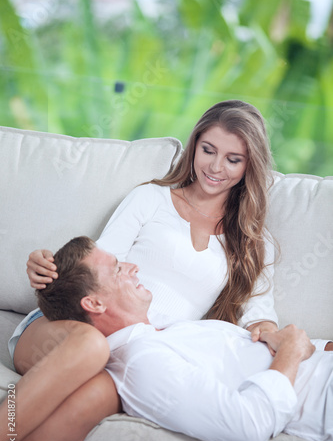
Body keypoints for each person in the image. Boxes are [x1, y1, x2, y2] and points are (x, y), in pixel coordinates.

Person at [1, 237, 332, 441]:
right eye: (118, 267)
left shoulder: (164, 330)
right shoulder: (142, 362)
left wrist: (282, 338)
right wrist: (291, 351)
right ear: (94, 303)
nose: (133, 267)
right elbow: (249, 424)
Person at [12, 100, 282, 367]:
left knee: (111, 374)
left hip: (144, 353)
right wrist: (48, 267)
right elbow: (98, 267)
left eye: (233, 160)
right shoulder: (151, 198)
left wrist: (271, 332)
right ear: (195, 146)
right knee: (91, 348)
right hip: (87, 328)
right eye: (208, 151)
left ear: (250, 166)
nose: (215, 167)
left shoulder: (254, 242)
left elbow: (259, 315)